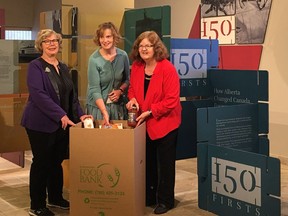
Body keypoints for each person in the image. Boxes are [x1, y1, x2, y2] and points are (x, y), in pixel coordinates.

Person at [21, 29, 93, 216]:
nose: (52, 44)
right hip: (40, 124)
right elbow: (39, 95)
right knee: (42, 163)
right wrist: (60, 114)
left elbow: (72, 96)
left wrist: (80, 115)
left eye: (55, 41)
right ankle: (37, 205)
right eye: (47, 41)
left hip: (63, 123)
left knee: (56, 162)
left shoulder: (63, 67)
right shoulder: (35, 66)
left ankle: (55, 198)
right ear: (41, 45)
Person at [126, 31, 182, 214]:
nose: (144, 49)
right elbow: (133, 89)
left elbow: (172, 100)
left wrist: (151, 111)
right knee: (147, 162)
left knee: (164, 165)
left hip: (166, 123)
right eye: (141, 46)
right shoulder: (136, 66)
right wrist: (132, 99)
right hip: (145, 124)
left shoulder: (167, 68)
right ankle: (150, 196)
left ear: (156, 48)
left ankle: (166, 201)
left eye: (148, 46)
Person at [86, 22, 130, 125]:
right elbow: (94, 89)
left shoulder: (123, 56)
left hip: (118, 106)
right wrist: (104, 111)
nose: (105, 40)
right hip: (98, 107)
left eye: (108, 36)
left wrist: (120, 90)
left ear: (114, 37)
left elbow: (127, 80)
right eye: (102, 37)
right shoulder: (94, 59)